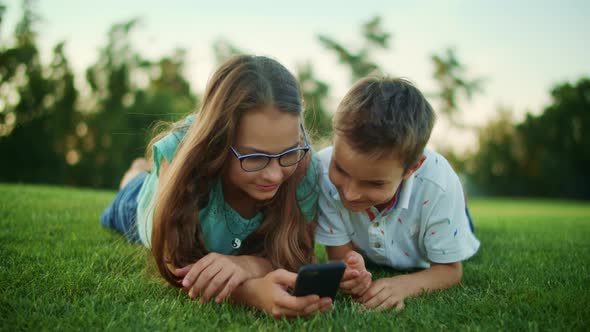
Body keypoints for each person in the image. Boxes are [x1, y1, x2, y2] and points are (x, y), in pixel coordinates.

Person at [100, 55, 333, 318]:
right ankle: (135, 175)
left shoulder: (304, 164)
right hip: (139, 206)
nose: (275, 175)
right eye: (255, 157)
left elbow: (302, 254)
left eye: (288, 152)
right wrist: (250, 293)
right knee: (128, 196)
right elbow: (177, 268)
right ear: (219, 142)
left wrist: (247, 265)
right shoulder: (182, 156)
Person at [315, 76, 480, 311]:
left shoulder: (437, 184)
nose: (350, 194)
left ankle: (460, 203)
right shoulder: (321, 171)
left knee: (459, 223)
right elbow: (340, 257)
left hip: (438, 204)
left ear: (412, 168)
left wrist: (404, 285)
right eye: (340, 168)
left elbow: (450, 270)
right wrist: (351, 269)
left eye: (373, 183)